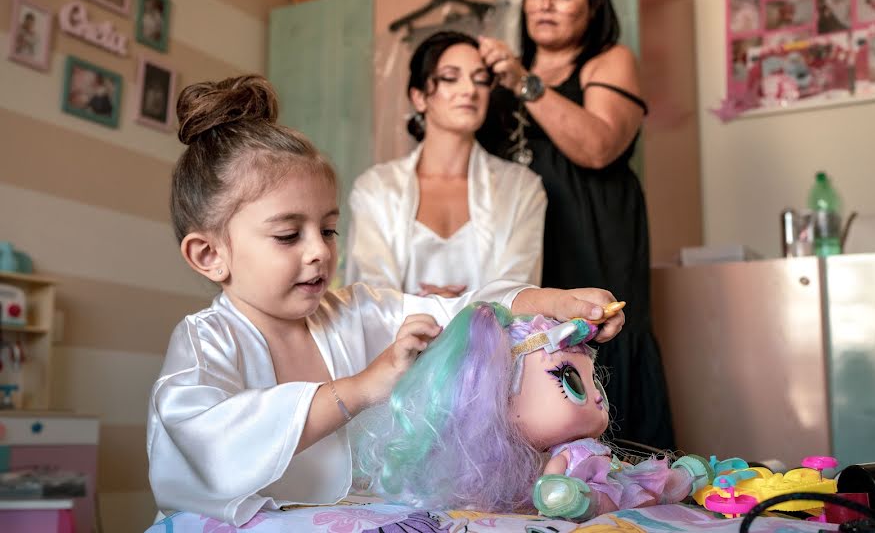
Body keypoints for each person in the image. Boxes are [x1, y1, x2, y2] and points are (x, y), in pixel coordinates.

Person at [147, 74, 625, 526]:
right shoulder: (206, 341)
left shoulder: (356, 310)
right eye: (289, 235)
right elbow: (209, 443)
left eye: (329, 230)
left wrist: (551, 302)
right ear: (209, 255)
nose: (319, 251)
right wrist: (360, 388)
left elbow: (465, 313)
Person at [475, 0, 675, 450]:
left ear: (593, 5)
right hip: (525, 236)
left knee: (599, 336)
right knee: (527, 351)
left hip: (594, 231)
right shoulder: (502, 77)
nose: (544, 4)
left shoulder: (608, 60)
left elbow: (598, 147)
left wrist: (522, 80)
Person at [355, 302, 710, 518]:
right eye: (571, 381)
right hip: (583, 493)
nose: (599, 397)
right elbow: (548, 484)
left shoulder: (575, 451)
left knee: (635, 481)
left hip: (607, 483)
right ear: (501, 397)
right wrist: (560, 494)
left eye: (593, 382)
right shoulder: (518, 467)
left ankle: (676, 481)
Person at [345, 31, 547, 297]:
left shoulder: (522, 189)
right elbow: (369, 298)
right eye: (450, 78)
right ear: (419, 97)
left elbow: (518, 295)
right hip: (396, 339)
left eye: (481, 79)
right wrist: (439, 312)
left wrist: (451, 314)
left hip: (496, 339)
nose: (469, 90)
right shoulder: (375, 189)